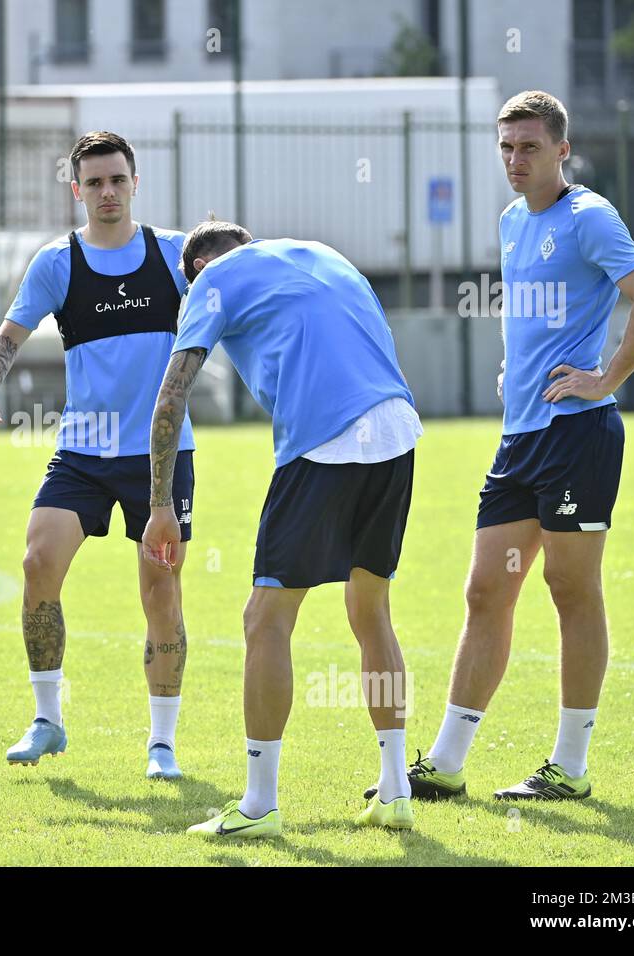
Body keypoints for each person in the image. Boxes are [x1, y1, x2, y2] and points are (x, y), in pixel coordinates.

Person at [379, 91, 634, 803]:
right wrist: (521, 368)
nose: (515, 160)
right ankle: (446, 764)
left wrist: (604, 378)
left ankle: (569, 766)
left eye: (530, 147)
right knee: (485, 590)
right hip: (521, 438)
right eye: (506, 146)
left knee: (569, 589)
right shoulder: (513, 220)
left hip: (579, 434)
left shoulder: (589, 217)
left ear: (561, 150)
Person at [143, 220, 423, 835]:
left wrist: (161, 503)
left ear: (198, 270)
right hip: (399, 428)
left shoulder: (210, 282)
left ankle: (259, 805)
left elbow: (171, 397)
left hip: (323, 441)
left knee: (265, 619)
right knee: (371, 611)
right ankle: (397, 789)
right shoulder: (322, 250)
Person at [0, 131, 194, 780]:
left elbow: (244, 274)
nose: (108, 192)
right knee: (38, 562)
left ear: (135, 182)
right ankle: (47, 719)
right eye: (93, 183)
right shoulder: (57, 263)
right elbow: (5, 341)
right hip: (83, 453)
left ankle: (162, 743)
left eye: (117, 180)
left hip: (162, 455)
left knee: (160, 590)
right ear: (77, 190)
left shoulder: (175, 255)